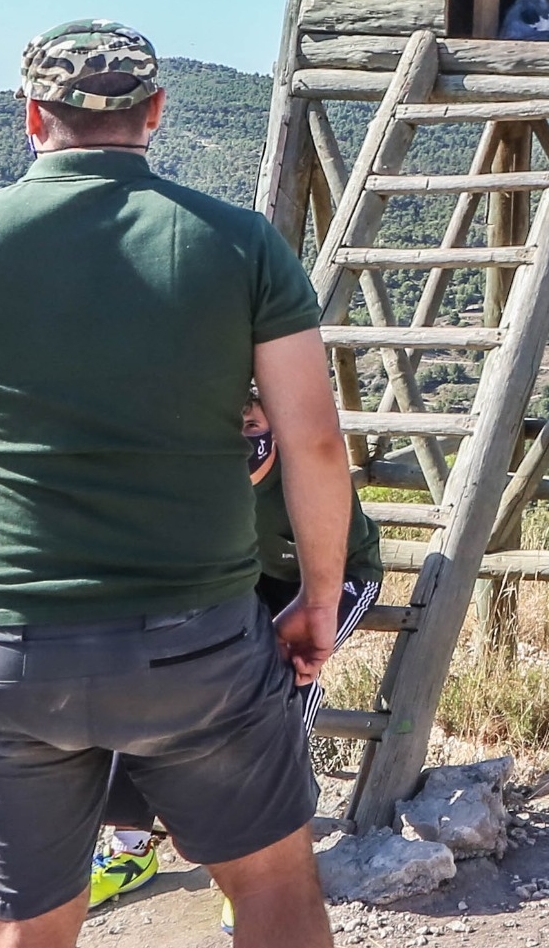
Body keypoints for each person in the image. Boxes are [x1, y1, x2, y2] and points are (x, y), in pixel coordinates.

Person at [0, 20, 351, 948]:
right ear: (155, 112)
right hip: (195, 643)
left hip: (5, 647)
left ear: (32, 117)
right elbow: (316, 443)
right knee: (274, 889)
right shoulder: (240, 243)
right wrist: (319, 599)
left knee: (23, 923)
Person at [89, 391, 387, 918]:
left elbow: (338, 561)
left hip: (333, 579)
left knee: (280, 682)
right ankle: (130, 848)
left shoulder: (305, 471)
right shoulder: (196, 471)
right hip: (244, 579)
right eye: (228, 425)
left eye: (252, 425)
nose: (241, 439)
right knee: (150, 672)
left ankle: (264, 863)